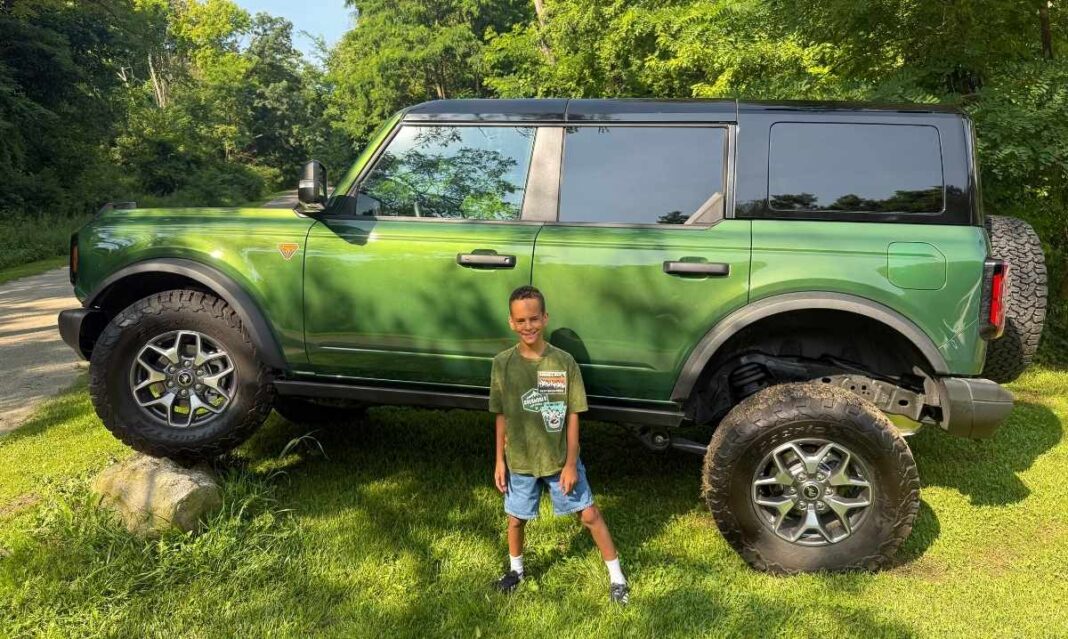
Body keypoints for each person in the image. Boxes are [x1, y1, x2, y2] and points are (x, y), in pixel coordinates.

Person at [489, 285, 629, 604]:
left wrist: (569, 463)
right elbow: (500, 416)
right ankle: (517, 572)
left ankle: (617, 577)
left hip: (558, 458)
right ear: (511, 322)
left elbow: (574, 415)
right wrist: (499, 460)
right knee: (515, 519)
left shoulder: (564, 363)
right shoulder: (502, 364)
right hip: (520, 459)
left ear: (545, 318)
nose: (528, 326)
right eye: (521, 320)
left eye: (534, 319)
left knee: (590, 514)